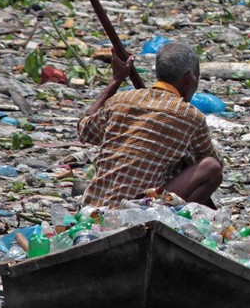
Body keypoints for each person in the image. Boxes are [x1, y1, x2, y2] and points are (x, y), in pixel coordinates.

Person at [77, 41, 223, 207]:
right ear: (189, 77)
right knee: (210, 167)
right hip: (135, 211)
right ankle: (170, 225)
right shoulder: (188, 115)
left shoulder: (121, 100)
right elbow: (213, 162)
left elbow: (85, 130)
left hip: (94, 207)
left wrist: (116, 80)